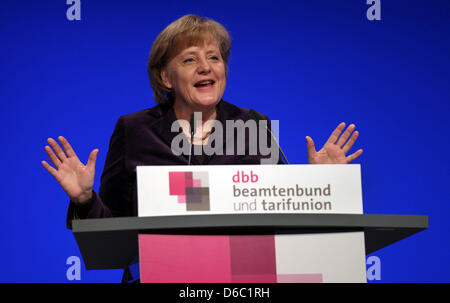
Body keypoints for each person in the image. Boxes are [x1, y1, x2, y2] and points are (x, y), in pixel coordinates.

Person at [41, 14, 363, 281]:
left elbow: (285, 220)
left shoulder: (253, 125)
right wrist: (84, 199)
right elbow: (112, 233)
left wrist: (321, 185)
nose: (206, 67)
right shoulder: (134, 130)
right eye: (190, 59)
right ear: (166, 77)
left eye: (214, 58)